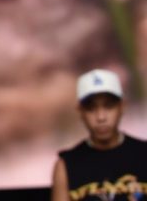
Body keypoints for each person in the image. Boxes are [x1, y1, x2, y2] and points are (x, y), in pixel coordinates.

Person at [51, 69, 147, 200]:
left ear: (122, 106)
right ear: (80, 112)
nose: (101, 117)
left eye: (108, 106)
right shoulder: (67, 166)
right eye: (91, 108)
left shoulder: (143, 155)